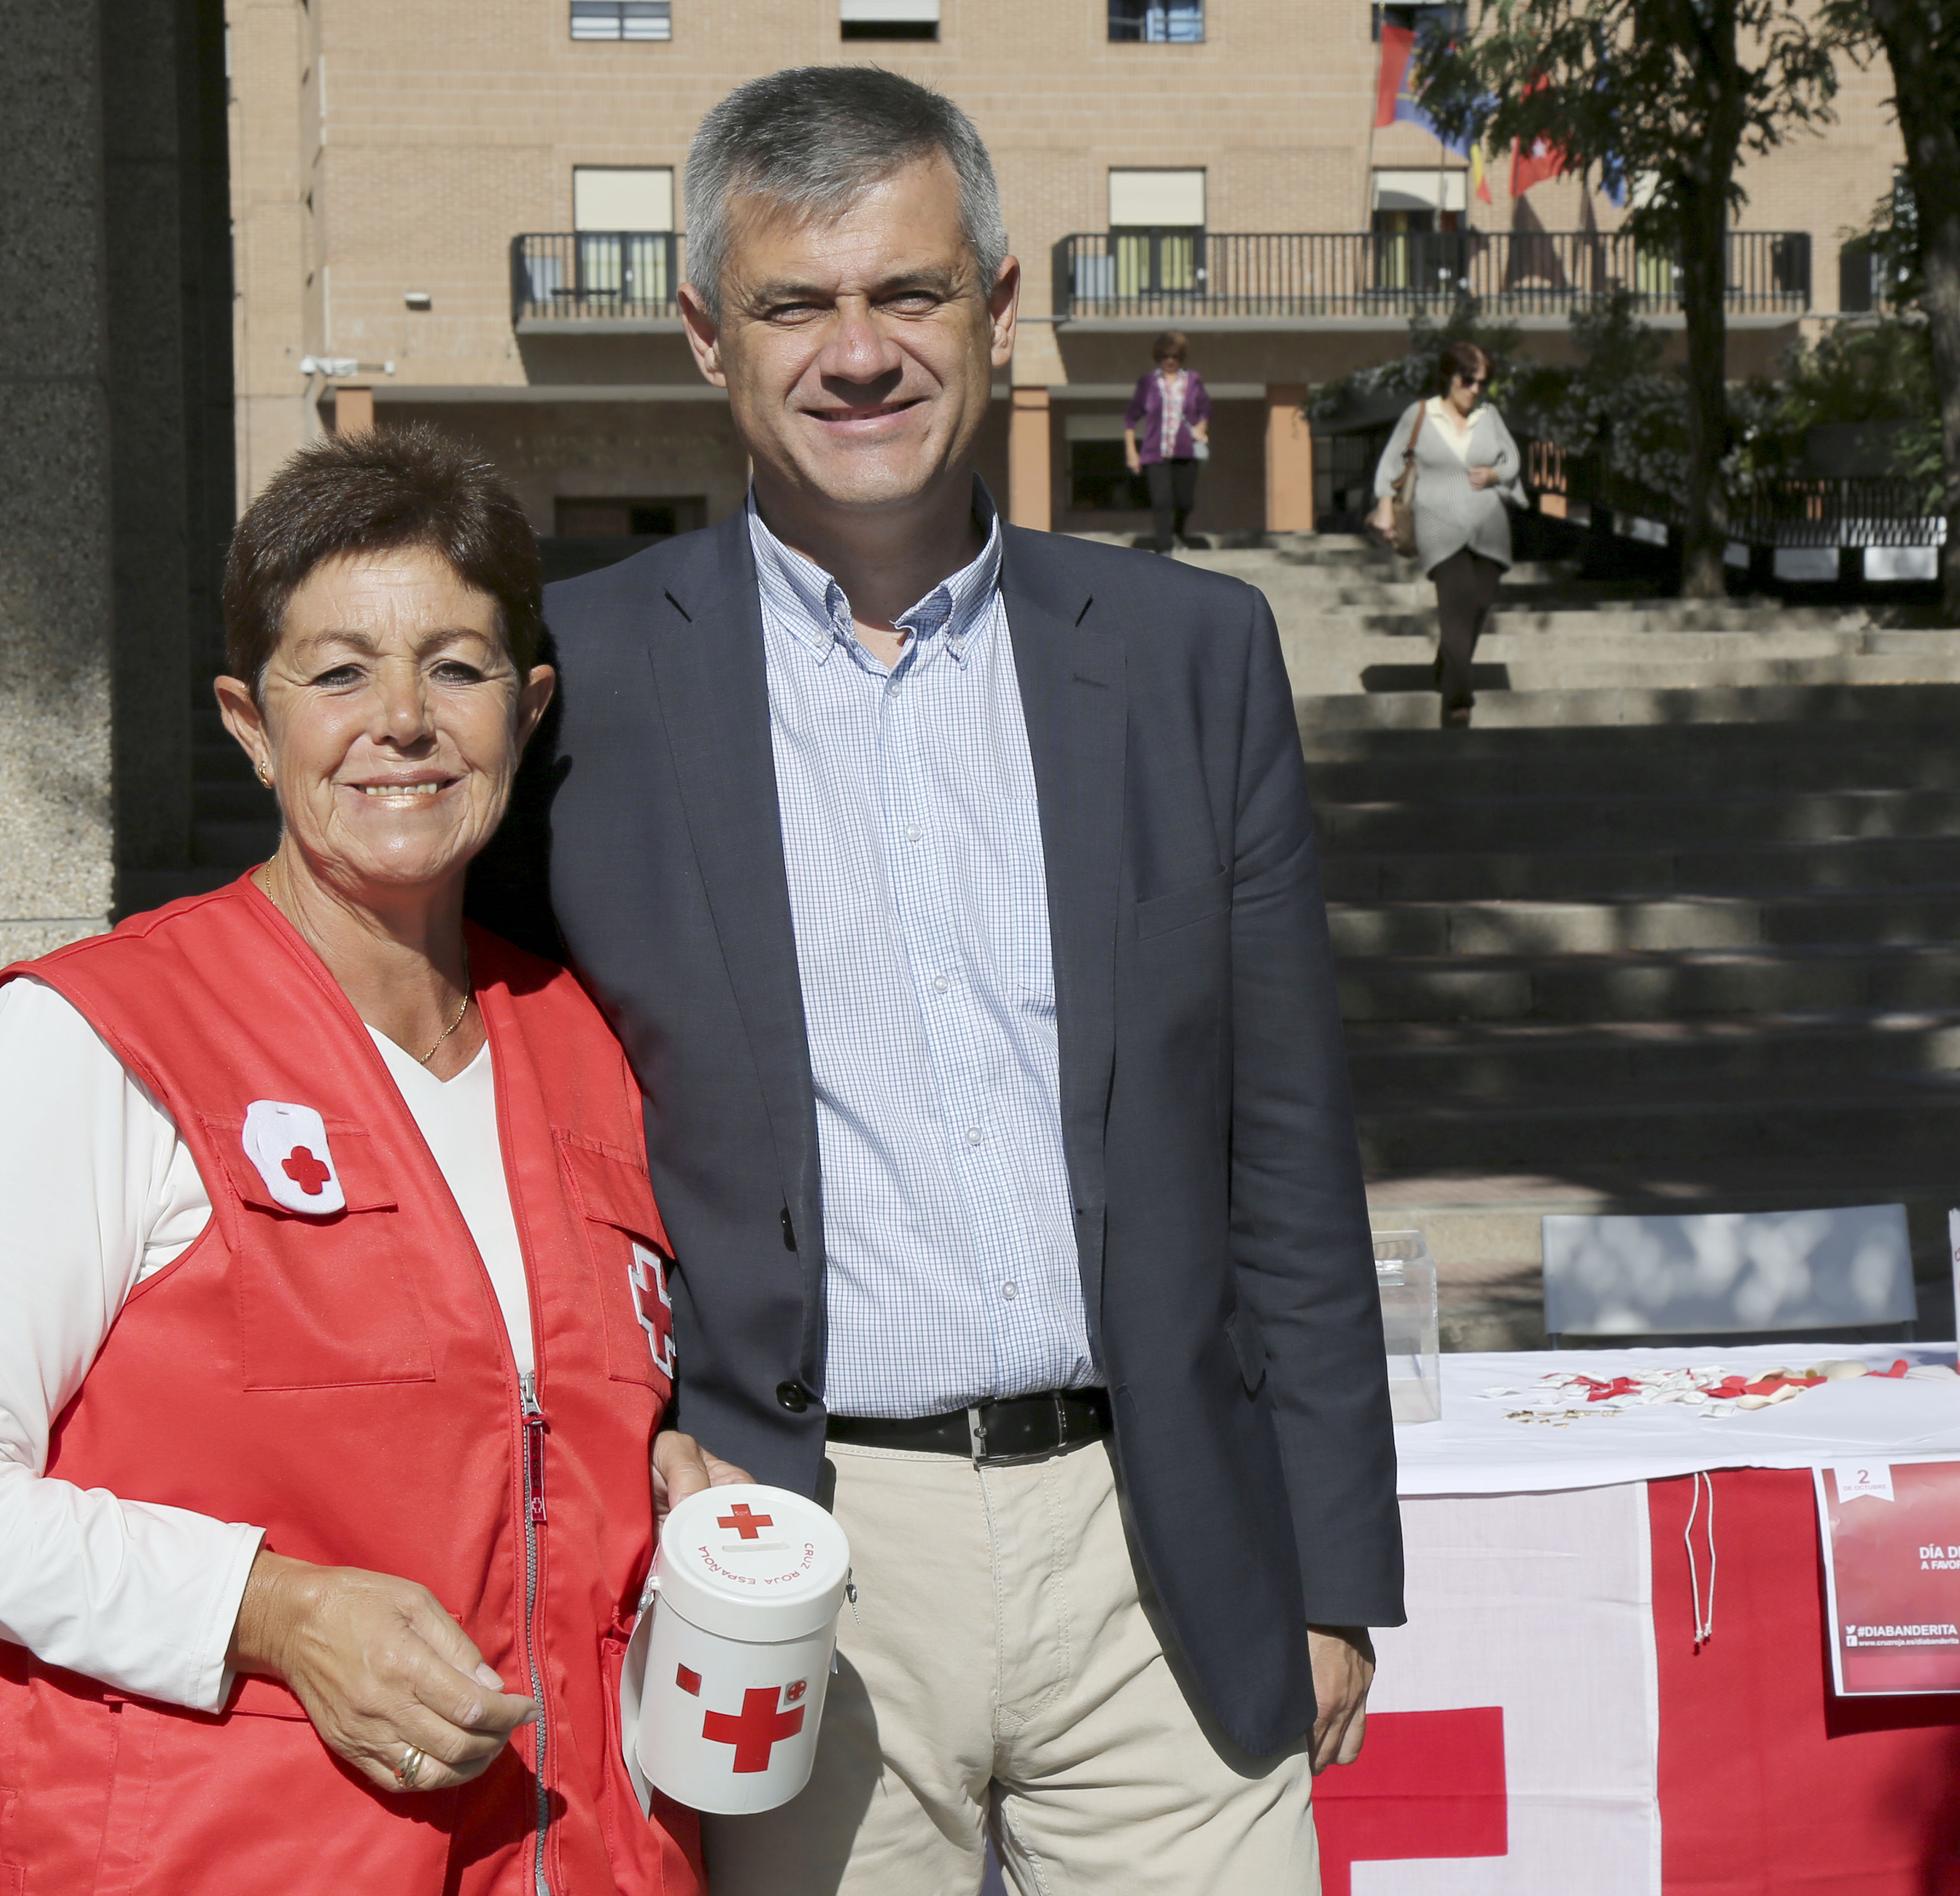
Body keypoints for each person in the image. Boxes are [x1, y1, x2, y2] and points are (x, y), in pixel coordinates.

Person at [479, 65, 1403, 1896]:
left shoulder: (1187, 658)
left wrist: (1333, 1567)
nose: (856, 353)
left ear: (993, 309)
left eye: (906, 293)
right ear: (701, 335)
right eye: (793, 304)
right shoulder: (578, 676)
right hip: (792, 1562)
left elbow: (1283, 1139)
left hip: (1158, 1557)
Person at [0, 427, 739, 1896]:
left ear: (529, 704)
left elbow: (515, 1423)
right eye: (339, 671)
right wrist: (276, 1609)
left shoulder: (584, 1044)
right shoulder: (104, 1036)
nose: (404, 717)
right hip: (202, 1850)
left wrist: (654, 1490)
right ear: (252, 724)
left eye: (458, 665)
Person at [1368, 340, 1522, 727]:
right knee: (1457, 606)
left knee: (1479, 604)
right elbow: (1391, 461)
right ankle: (1458, 701)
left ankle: (1447, 665)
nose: (1475, 389)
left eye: (1481, 383)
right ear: (1449, 377)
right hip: (1439, 525)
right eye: (1468, 380)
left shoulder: (1489, 417)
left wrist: (1495, 475)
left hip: (1489, 528)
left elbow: (1513, 459)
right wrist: (1385, 508)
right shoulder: (1421, 414)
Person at [1121, 328, 1210, 552]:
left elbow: (1206, 410)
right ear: (1158, 357)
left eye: (1175, 356)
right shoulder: (1148, 383)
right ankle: (1164, 549)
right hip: (1155, 453)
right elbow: (1131, 418)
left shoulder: (1193, 381)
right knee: (1161, 502)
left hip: (1185, 451)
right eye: (1165, 356)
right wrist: (1132, 453)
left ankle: (1178, 532)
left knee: (1185, 501)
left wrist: (1201, 427)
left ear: (1182, 357)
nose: (1170, 361)